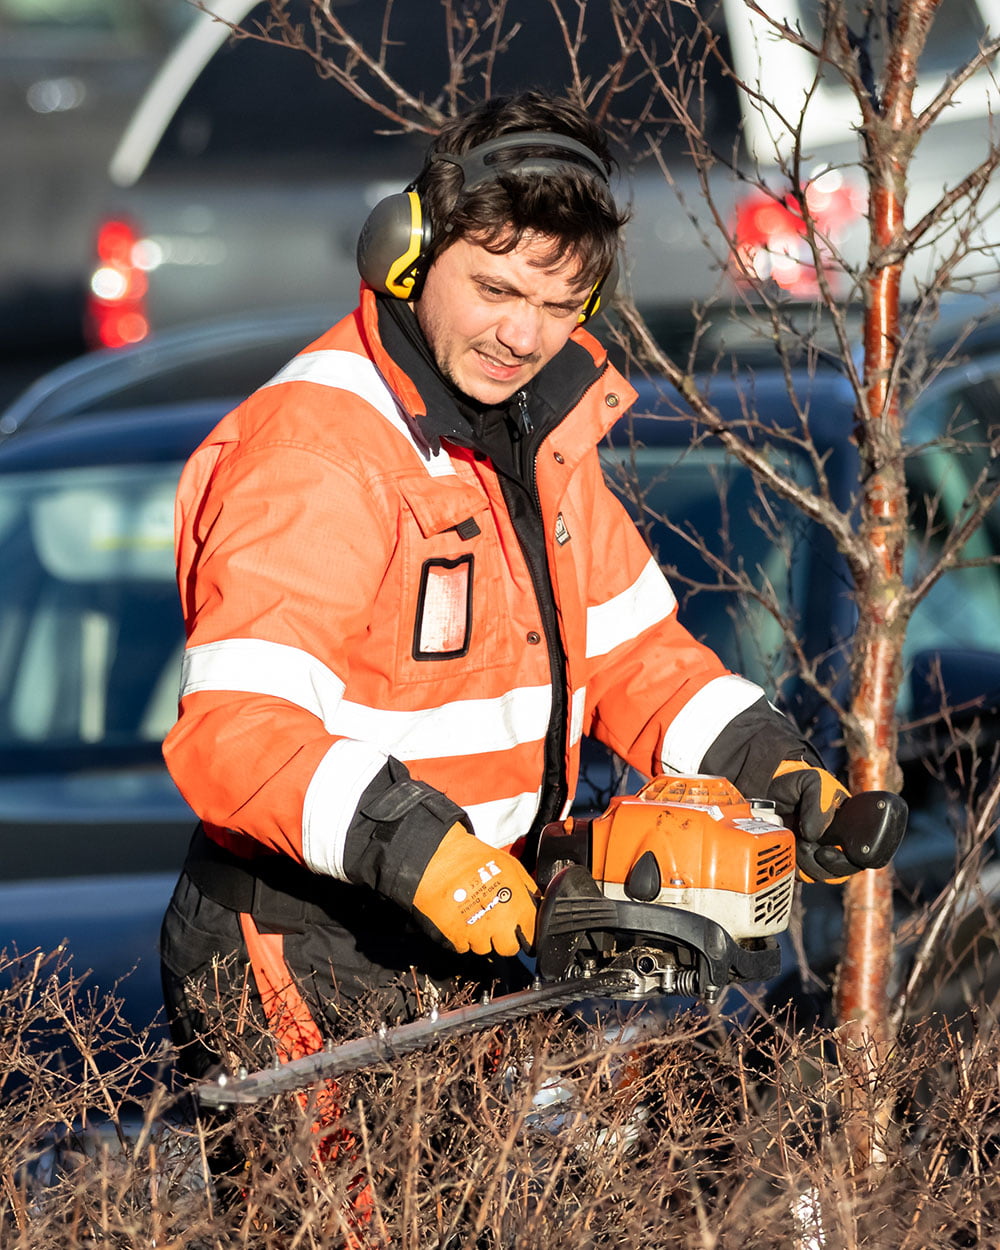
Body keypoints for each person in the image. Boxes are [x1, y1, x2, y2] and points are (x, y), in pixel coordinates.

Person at [159, 90, 859, 1090]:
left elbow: (631, 658)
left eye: (558, 306)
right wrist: (423, 852)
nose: (523, 336)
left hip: (475, 930)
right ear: (405, 257)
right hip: (310, 940)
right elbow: (237, 728)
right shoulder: (318, 450)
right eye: (494, 290)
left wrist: (773, 770)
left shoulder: (532, 435)